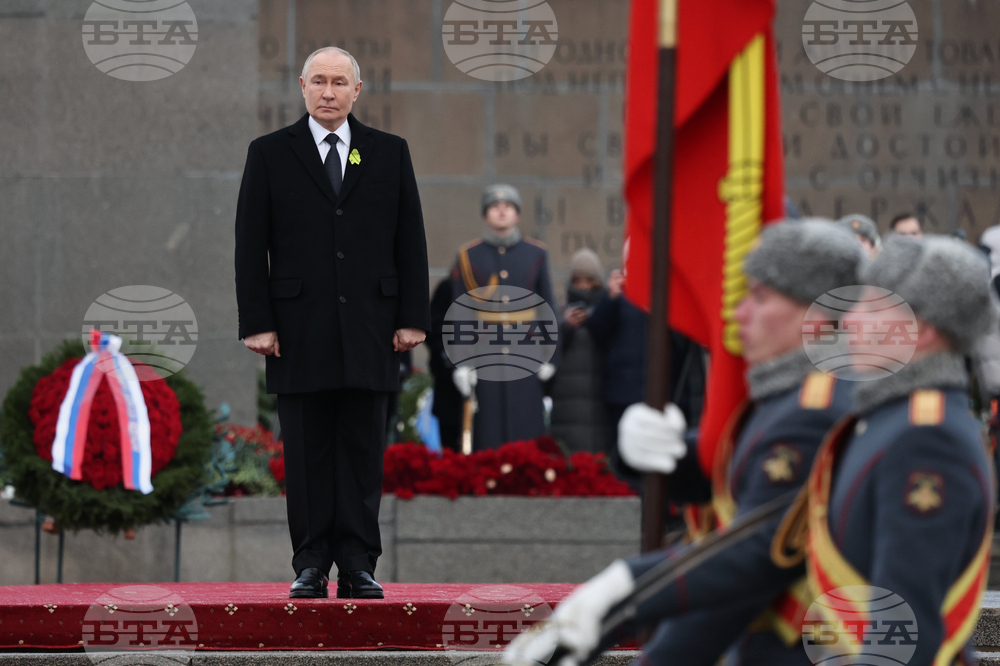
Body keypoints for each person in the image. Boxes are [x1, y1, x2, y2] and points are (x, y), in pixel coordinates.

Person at [504, 219, 865, 666]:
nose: (738, 313)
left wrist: (619, 593)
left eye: (760, 297)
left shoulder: (822, 408)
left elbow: (754, 554)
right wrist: (665, 454)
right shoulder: (789, 397)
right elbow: (729, 476)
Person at [235, 46, 430, 600]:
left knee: (363, 451)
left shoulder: (389, 153)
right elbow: (250, 245)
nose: (328, 92)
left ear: (356, 91)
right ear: (301, 87)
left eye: (338, 82)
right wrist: (258, 322)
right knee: (306, 451)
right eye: (318, 81)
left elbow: (409, 239)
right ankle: (311, 563)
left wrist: (412, 316)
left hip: (373, 326)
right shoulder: (271, 153)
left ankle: (358, 562)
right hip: (296, 330)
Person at [448, 184, 557, 451]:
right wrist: (461, 362)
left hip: (526, 352)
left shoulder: (536, 254)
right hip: (485, 354)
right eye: (495, 207)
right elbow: (461, 313)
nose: (501, 211)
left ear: (517, 215)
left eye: (508, 207)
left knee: (526, 430)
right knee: (489, 432)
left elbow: (547, 309)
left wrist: (549, 356)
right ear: (486, 215)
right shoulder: (468, 257)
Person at [586, 265, 705, 490]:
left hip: (665, 394)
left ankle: (662, 516)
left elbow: (685, 343)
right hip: (624, 391)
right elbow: (598, 331)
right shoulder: (620, 291)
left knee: (659, 465)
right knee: (626, 466)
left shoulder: (671, 290)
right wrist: (609, 299)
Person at [549, 249, 606, 454]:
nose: (583, 286)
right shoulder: (559, 316)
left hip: (601, 405)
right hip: (567, 406)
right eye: (577, 281)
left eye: (589, 280)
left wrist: (598, 320)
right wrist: (566, 326)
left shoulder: (609, 314)